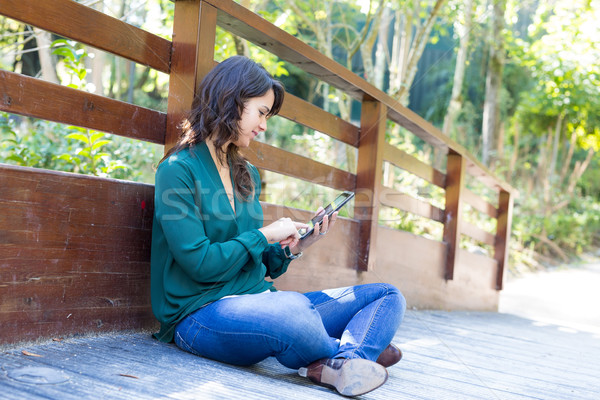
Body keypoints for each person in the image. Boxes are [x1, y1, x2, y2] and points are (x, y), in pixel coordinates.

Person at [151, 55, 406, 397]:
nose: (264, 126)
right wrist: (264, 234)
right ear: (231, 101)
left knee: (387, 295)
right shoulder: (177, 171)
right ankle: (352, 351)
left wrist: (295, 247)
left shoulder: (246, 174)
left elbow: (259, 263)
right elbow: (201, 264)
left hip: (259, 300)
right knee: (292, 311)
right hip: (199, 315)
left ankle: (344, 359)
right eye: (261, 112)